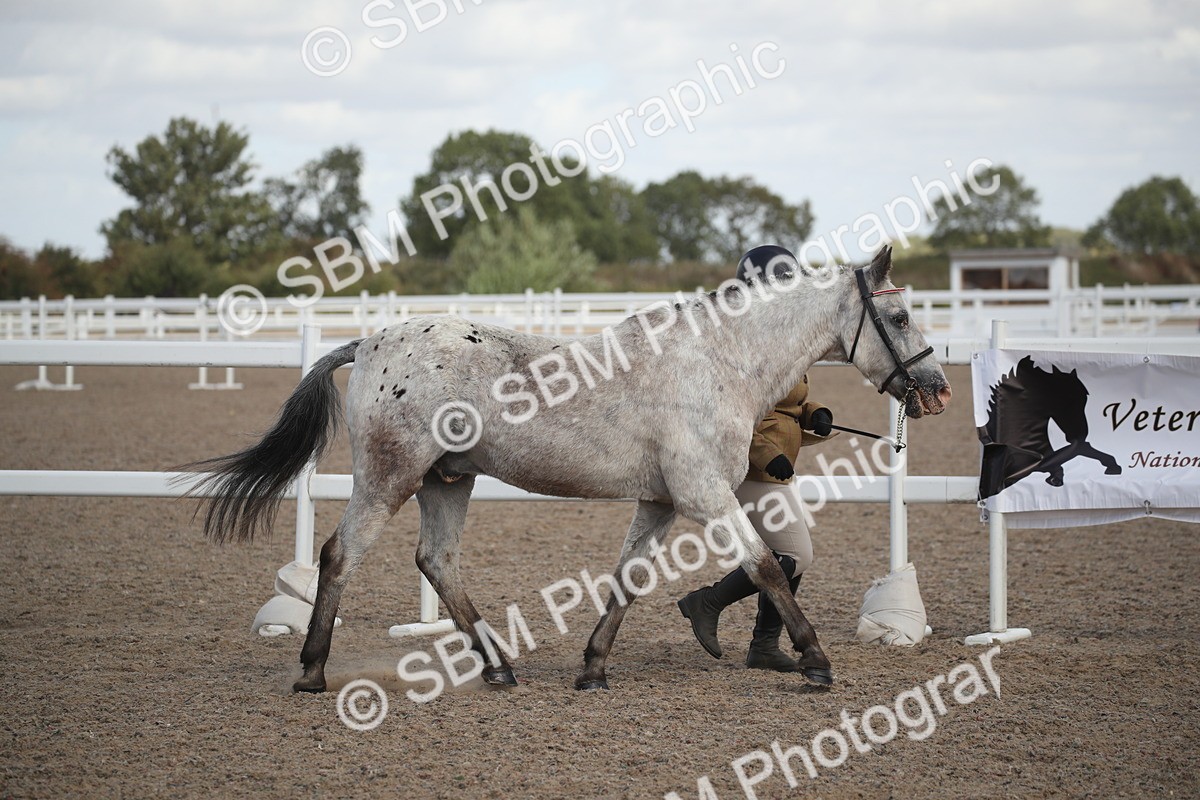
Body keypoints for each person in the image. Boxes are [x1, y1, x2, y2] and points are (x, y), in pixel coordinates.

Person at [677, 244, 836, 672]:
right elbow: (732, 417)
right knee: (795, 554)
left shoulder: (778, 339)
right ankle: (706, 602)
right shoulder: (739, 348)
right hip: (753, 465)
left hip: (778, 464)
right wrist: (767, 455)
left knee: (785, 552)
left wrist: (812, 413)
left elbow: (788, 398)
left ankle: (764, 645)